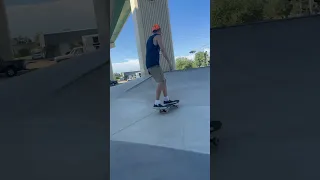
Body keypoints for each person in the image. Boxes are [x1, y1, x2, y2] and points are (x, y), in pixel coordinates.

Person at [145, 24, 177, 109]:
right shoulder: (158, 36)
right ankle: (157, 102)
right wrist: (169, 63)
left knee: (163, 81)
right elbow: (163, 49)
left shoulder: (149, 39)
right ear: (159, 30)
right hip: (153, 64)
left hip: (151, 64)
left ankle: (166, 99)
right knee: (161, 82)